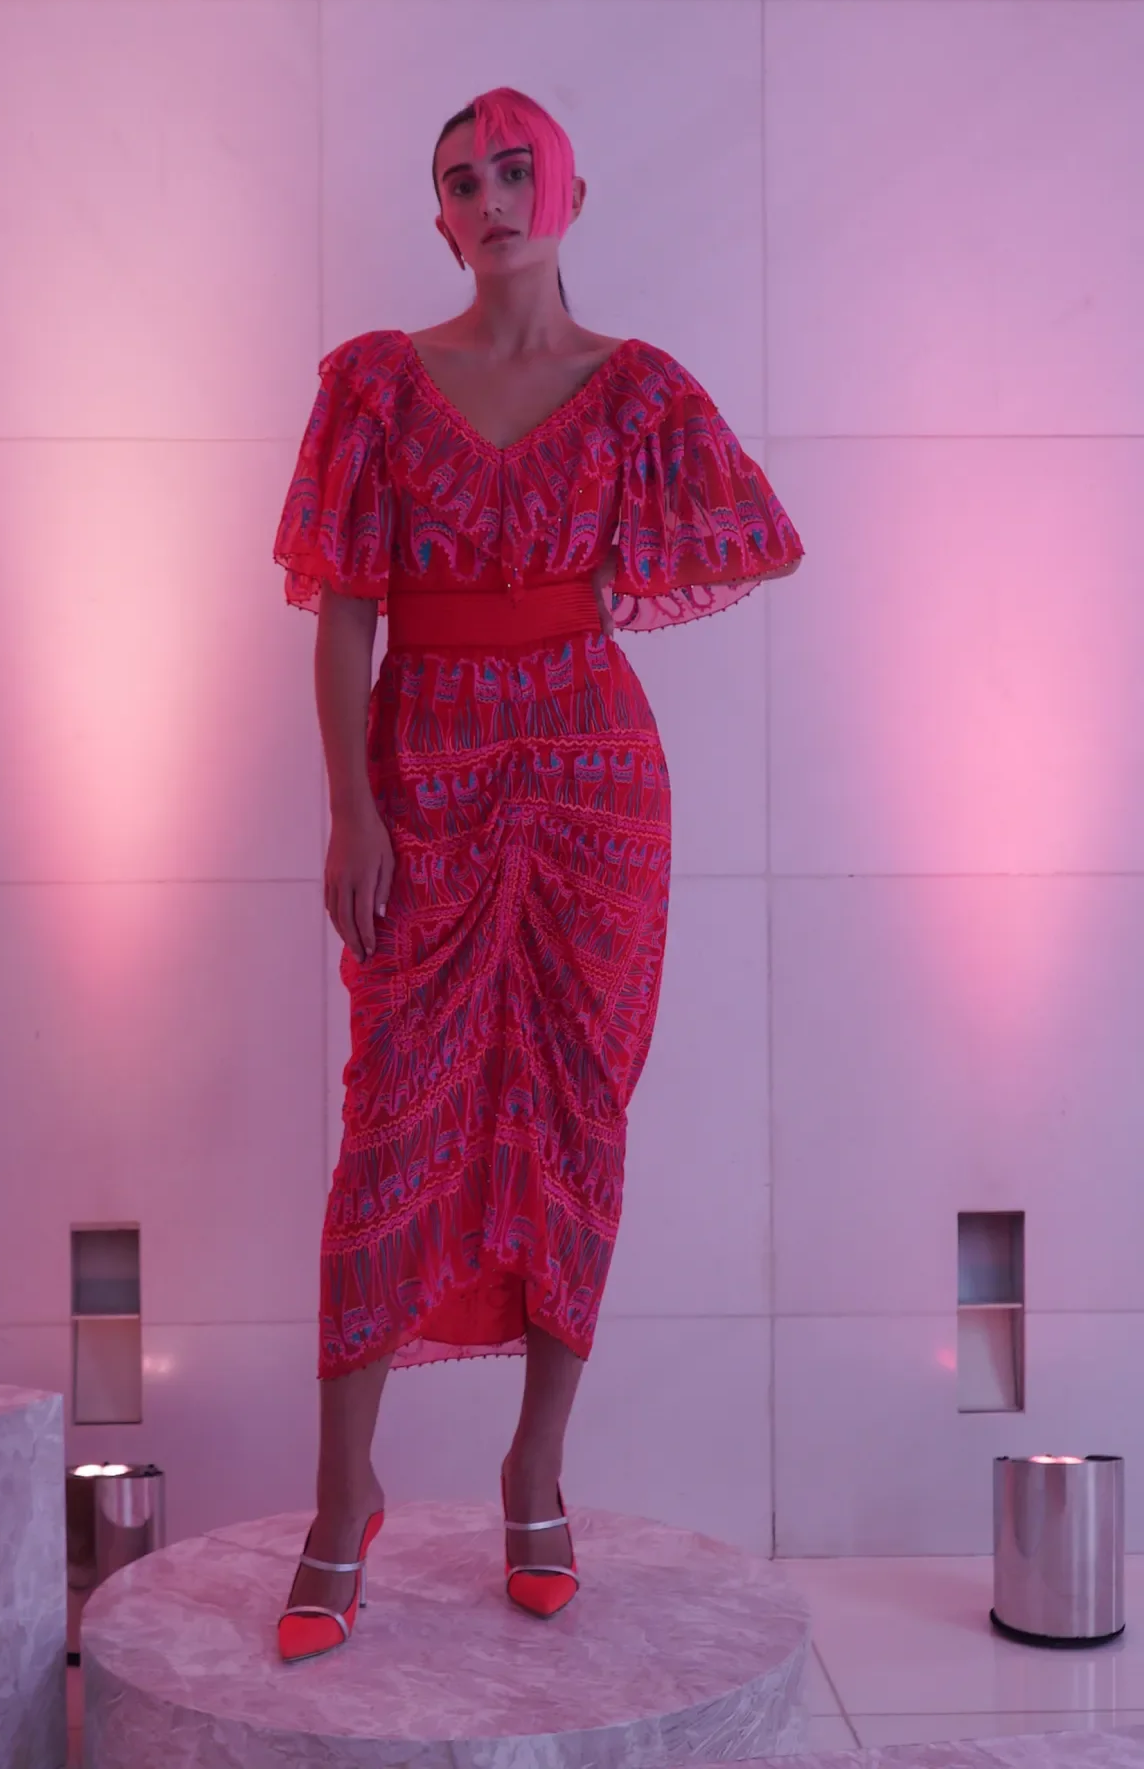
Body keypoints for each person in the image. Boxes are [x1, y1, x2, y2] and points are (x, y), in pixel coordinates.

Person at [271, 86, 804, 1662]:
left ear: (569, 189)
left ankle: (537, 1468)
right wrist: (349, 812)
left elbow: (747, 531)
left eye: (516, 169)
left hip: (594, 789)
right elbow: (345, 616)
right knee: (395, 1120)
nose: (491, 196)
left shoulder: (636, 392)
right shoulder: (374, 383)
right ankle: (338, 1493)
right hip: (419, 779)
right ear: (437, 217)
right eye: (462, 180)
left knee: (576, 1108)